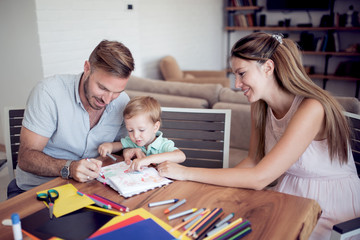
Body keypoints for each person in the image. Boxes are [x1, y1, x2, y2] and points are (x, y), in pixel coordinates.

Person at [157, 32, 360, 239]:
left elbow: (260, 177)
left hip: (330, 204)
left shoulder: (312, 108)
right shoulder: (259, 105)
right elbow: (253, 161)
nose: (236, 84)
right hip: (289, 193)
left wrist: (185, 172)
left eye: (242, 73)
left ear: (268, 68)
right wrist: (222, 193)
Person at [10, 40, 135, 198]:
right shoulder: (48, 93)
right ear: (87, 68)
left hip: (91, 189)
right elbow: (26, 158)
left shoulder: (122, 101)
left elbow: (122, 145)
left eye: (116, 91)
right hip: (40, 191)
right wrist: (69, 167)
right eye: (102, 88)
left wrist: (129, 149)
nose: (108, 100)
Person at [98, 96, 186, 171]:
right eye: (130, 130)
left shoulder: (163, 144)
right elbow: (118, 145)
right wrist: (109, 146)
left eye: (141, 130)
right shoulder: (133, 141)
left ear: (155, 127)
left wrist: (148, 160)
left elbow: (181, 156)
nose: (135, 136)